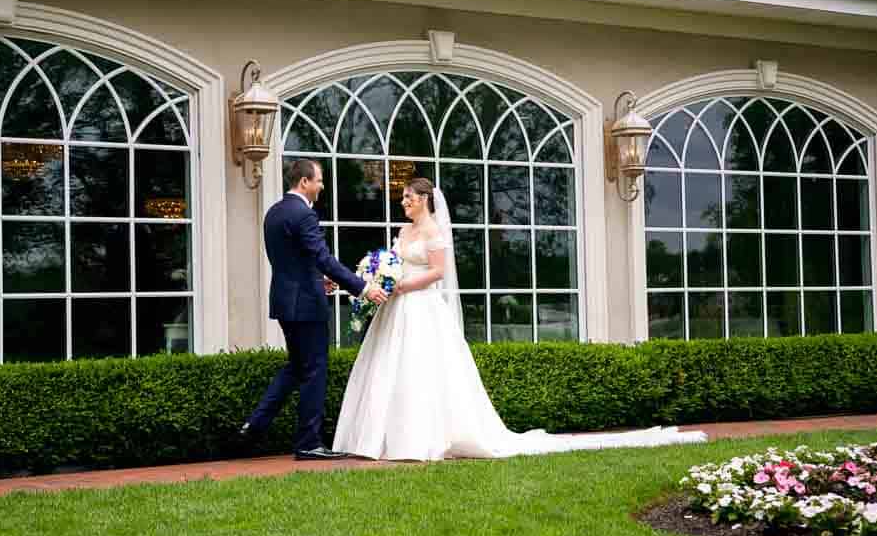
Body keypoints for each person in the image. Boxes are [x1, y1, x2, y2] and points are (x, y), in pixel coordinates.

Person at [333, 178, 707, 461]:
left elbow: (437, 273)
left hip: (421, 307)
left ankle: (418, 438)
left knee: (422, 371)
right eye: (403, 199)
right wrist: (383, 276)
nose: (404, 203)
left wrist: (404, 285)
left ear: (425, 200)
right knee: (389, 369)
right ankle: (379, 438)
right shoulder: (402, 231)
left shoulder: (433, 230)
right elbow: (395, 261)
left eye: (409, 198)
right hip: (397, 310)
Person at [240, 159, 388, 461]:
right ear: (305, 182)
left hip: (285, 301)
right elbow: (322, 257)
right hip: (306, 306)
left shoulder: (275, 212)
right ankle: (308, 442)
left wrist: (319, 281)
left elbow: (293, 261)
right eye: (319, 180)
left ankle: (255, 425)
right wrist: (362, 287)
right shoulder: (303, 214)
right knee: (315, 370)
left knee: (297, 366)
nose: (321, 186)